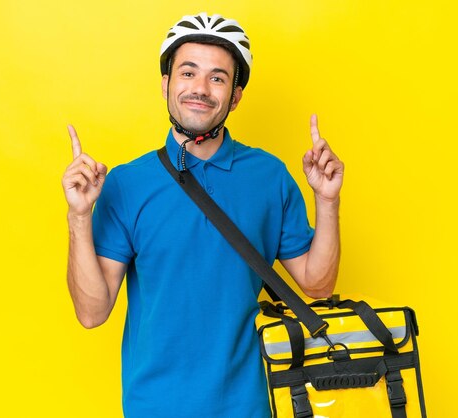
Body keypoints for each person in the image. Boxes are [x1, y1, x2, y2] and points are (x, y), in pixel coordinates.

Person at [62, 12, 344, 418]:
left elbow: (317, 286)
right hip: (154, 406)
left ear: (235, 96)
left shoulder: (269, 176)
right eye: (188, 73)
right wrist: (79, 216)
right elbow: (92, 313)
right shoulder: (126, 183)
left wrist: (328, 201)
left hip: (253, 406)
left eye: (217, 78)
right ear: (166, 85)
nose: (200, 89)